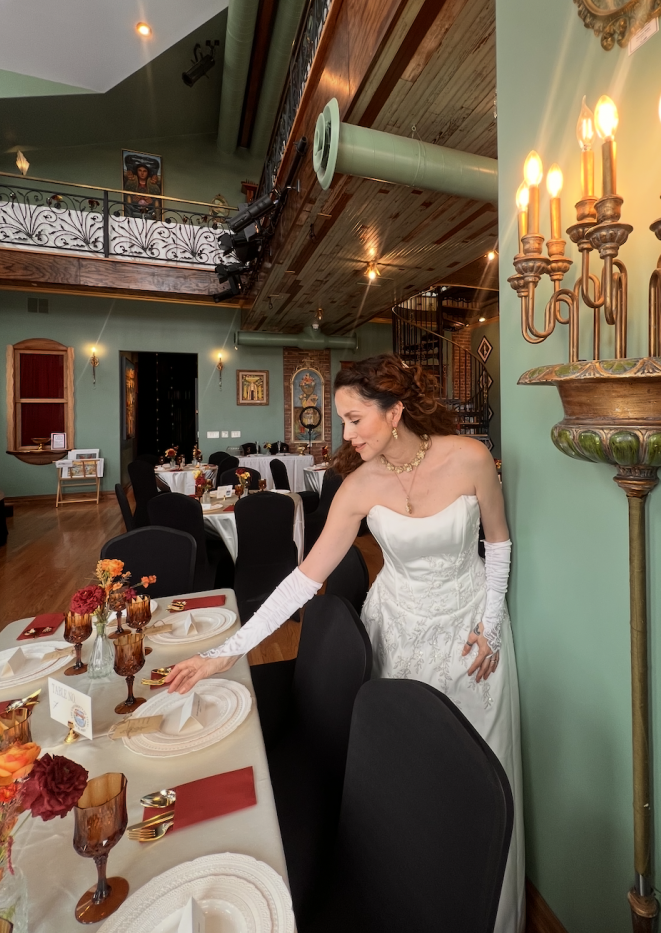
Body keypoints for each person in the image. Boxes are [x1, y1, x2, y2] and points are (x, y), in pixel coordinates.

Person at [165, 354, 525, 933]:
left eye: (357, 419)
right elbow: (305, 578)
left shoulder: (471, 458)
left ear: (396, 411)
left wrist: (490, 625)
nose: (347, 434)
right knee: (406, 771)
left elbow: (500, 545)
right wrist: (228, 649)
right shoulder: (356, 487)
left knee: (478, 774)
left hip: (471, 634)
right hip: (399, 632)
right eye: (343, 422)